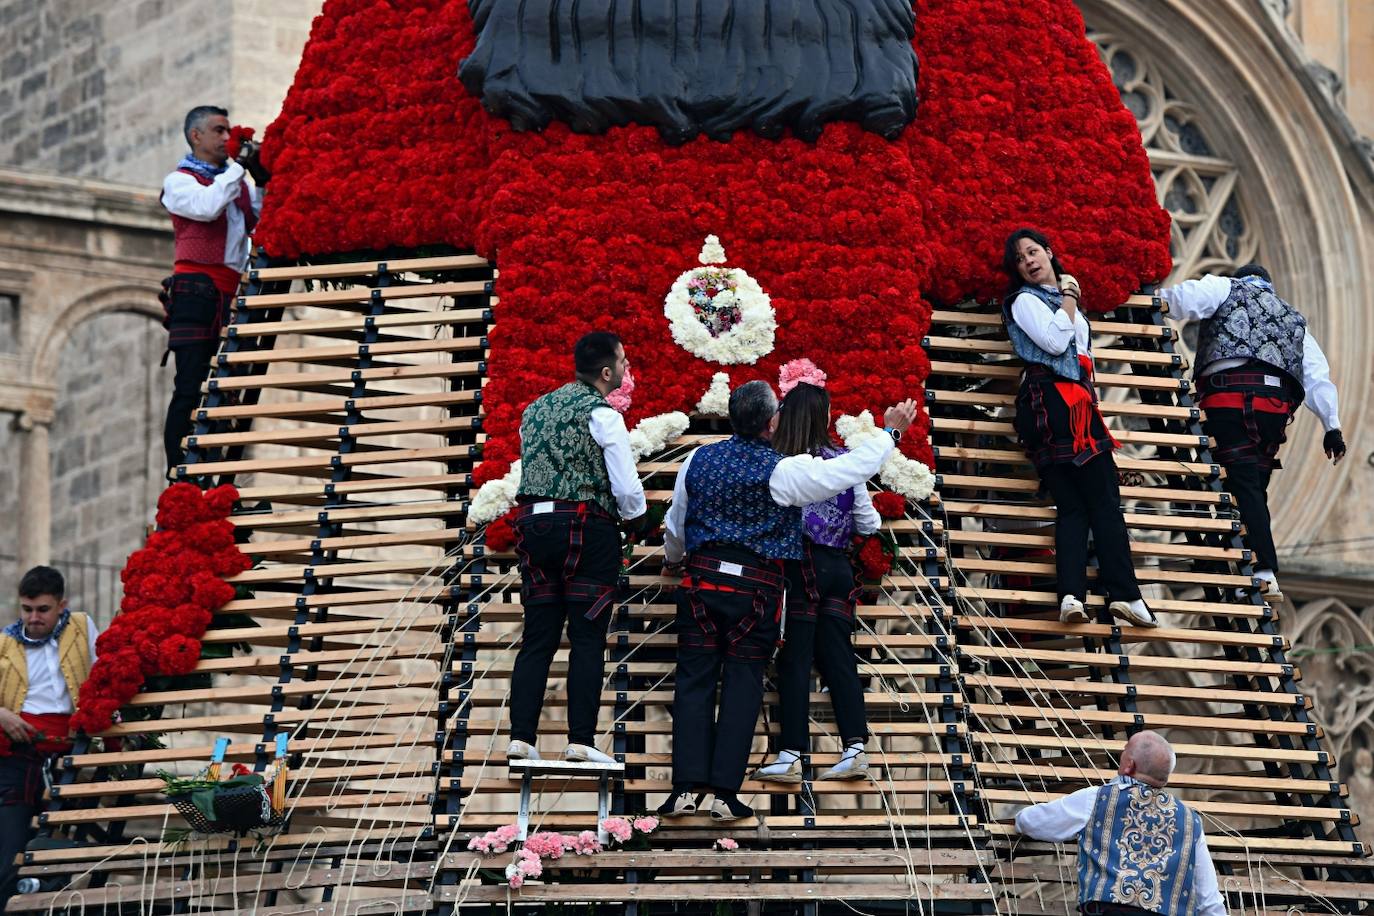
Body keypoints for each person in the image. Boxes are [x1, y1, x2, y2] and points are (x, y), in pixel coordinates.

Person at [657, 380, 916, 821]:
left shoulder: (697, 459)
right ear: (770, 421)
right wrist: (889, 434)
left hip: (702, 583)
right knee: (742, 685)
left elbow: (675, 526)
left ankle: (684, 789)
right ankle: (723, 793)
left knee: (694, 684)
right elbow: (847, 472)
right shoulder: (782, 470)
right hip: (753, 593)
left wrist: (673, 560)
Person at [1159, 266, 1344, 599]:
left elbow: (1184, 300)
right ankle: (1255, 567)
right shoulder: (1294, 317)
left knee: (1239, 481)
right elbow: (1318, 377)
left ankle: (1264, 569)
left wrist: (1153, 301)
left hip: (1230, 399)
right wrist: (1332, 428)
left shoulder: (1225, 287)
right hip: (1274, 410)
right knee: (1253, 486)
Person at [505, 331, 646, 767]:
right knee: (587, 636)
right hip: (584, 528)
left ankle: (521, 737)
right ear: (606, 372)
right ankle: (581, 739)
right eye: (622, 361)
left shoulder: (535, 410)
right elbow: (624, 484)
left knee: (538, 637)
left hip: (533, 525)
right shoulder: (602, 414)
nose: (625, 368)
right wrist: (636, 518)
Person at [1002, 228, 1155, 628]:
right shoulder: (1025, 301)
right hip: (1053, 404)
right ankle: (1124, 594)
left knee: (1076, 508)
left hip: (1074, 405)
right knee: (1100, 503)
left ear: (1049, 252)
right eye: (1020, 259)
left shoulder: (1059, 305)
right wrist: (1070, 296)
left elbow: (1081, 354)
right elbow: (1054, 343)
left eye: (1033, 252)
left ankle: (1073, 596)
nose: (1029, 261)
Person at [753, 376, 878, 785]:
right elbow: (868, 522)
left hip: (796, 569)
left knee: (795, 660)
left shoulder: (777, 461)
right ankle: (855, 747)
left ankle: (791, 754)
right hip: (838, 569)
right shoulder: (844, 461)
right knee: (838, 657)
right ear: (824, 417)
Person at [160, 105, 269, 469]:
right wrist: (239, 168)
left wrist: (262, 177)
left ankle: (212, 462)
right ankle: (179, 467)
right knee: (190, 383)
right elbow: (206, 208)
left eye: (229, 132)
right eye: (219, 131)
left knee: (226, 388)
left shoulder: (231, 183)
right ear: (196, 136)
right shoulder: (179, 181)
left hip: (228, 292)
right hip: (196, 291)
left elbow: (259, 221)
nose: (227, 138)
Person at [1014, 730, 1227, 916]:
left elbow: (1029, 822)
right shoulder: (1190, 821)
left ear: (1129, 765)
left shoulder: (1097, 799)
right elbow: (1208, 898)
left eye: (1124, 751)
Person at [0, 567, 98, 907]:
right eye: (27, 609)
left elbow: (102, 675)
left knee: (53, 851)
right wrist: (2, 714)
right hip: (17, 753)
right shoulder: (5, 642)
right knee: (9, 848)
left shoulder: (82, 628)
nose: (33, 617)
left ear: (61, 605)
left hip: (69, 752)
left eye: (42, 609)